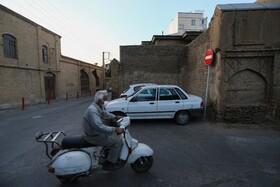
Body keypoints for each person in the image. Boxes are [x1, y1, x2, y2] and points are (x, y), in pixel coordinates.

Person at [82, 90, 123, 170]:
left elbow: (104, 113)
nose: (106, 101)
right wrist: (115, 129)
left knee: (109, 134)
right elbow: (98, 125)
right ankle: (110, 163)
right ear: (100, 100)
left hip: (94, 133)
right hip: (93, 136)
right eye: (105, 99)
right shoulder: (93, 110)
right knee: (117, 142)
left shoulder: (97, 106)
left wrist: (115, 116)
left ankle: (106, 154)